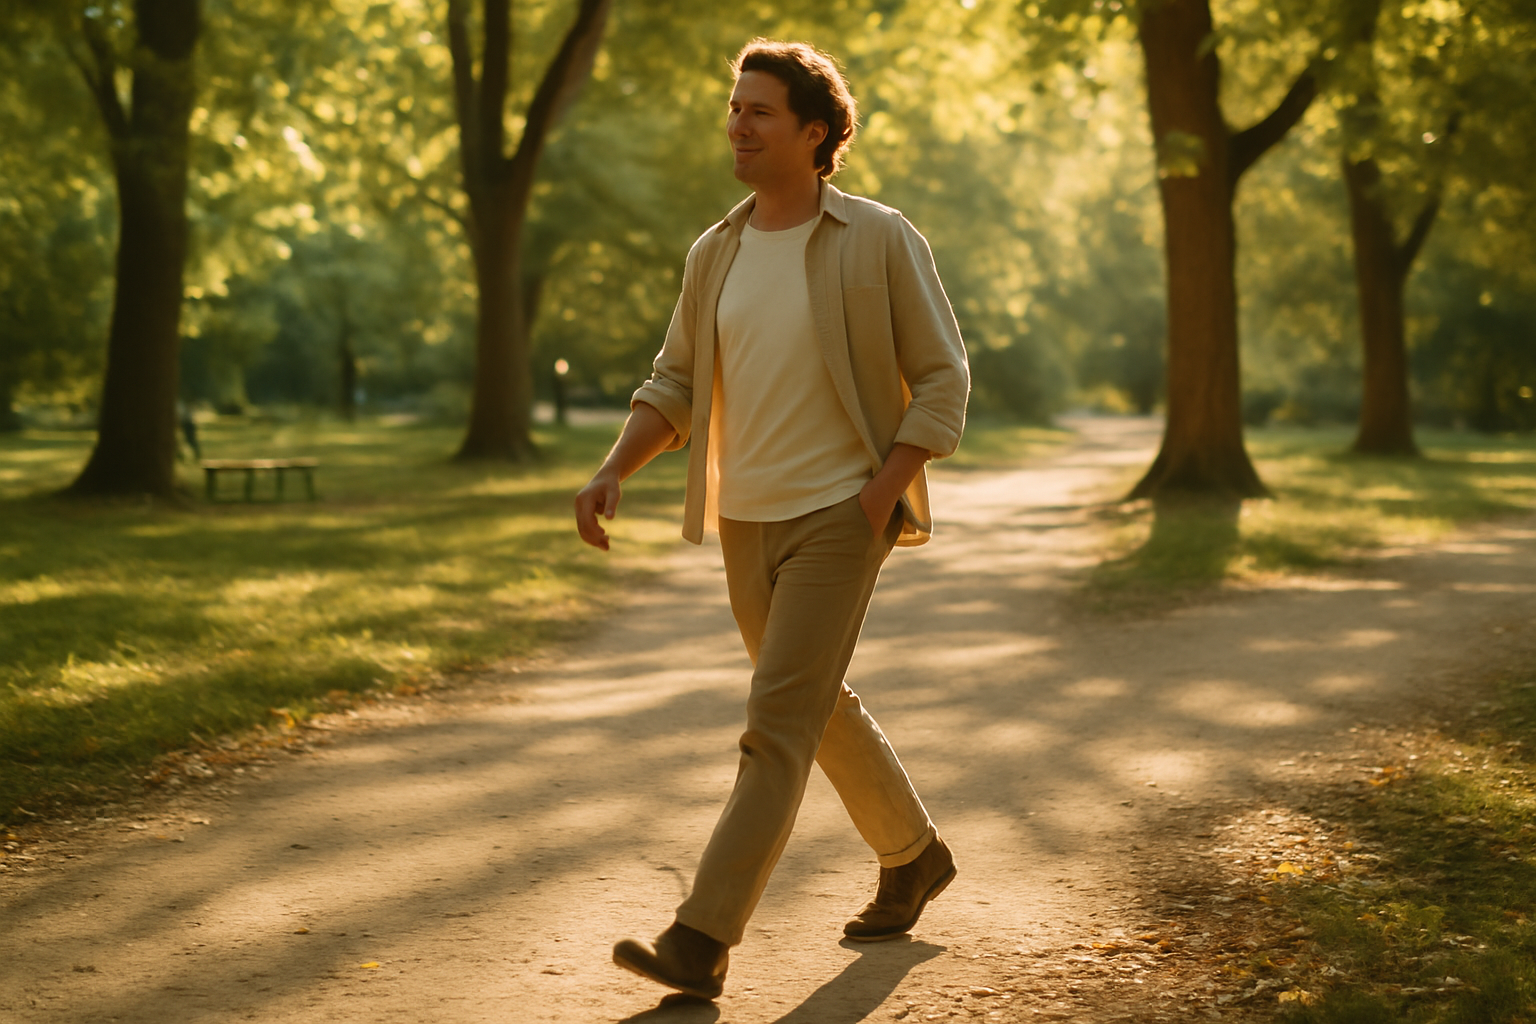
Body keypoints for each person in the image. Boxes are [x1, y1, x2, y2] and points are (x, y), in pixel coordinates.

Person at [573, 38, 970, 1001]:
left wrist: (881, 492)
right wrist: (615, 466)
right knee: (811, 702)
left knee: (775, 724)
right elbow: (672, 381)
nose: (738, 125)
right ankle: (912, 856)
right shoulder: (716, 252)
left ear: (815, 130)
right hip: (746, 519)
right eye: (734, 107)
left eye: (759, 111)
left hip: (843, 513)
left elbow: (943, 376)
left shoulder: (876, 237)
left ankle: (701, 938)